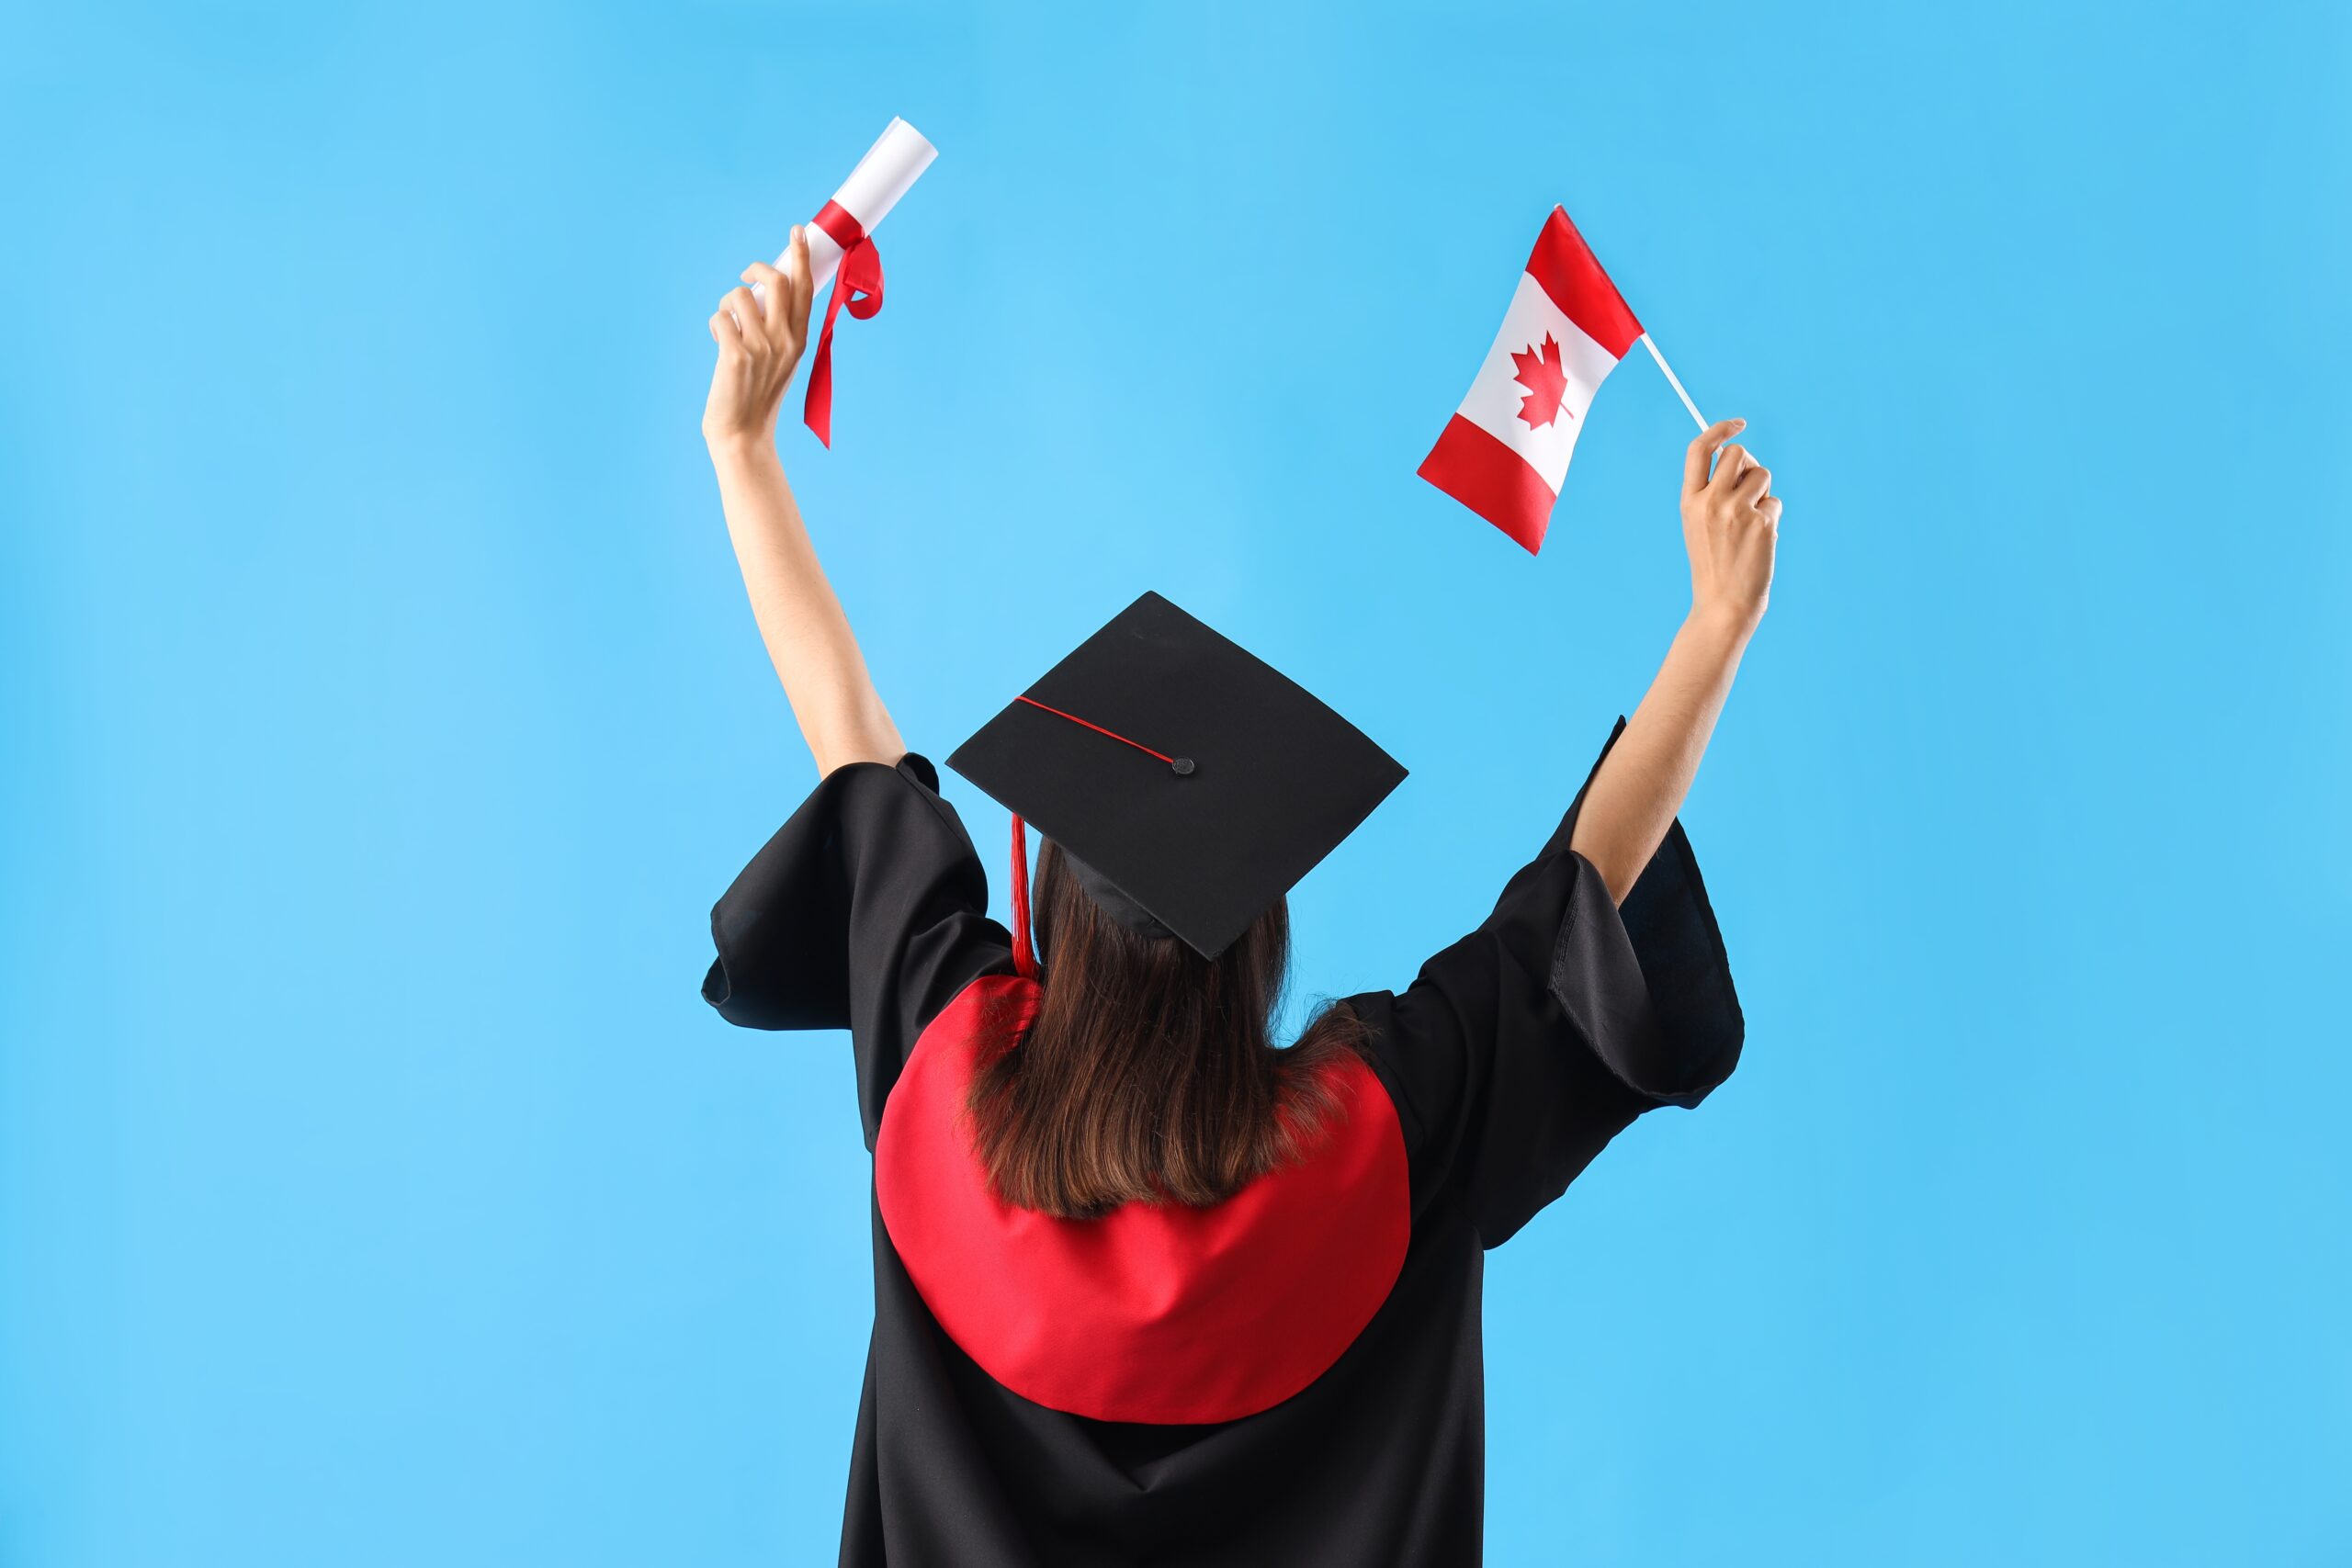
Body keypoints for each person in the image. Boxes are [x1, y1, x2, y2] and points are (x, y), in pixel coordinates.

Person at [697, 229, 1777, 1568]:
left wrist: (744, 452)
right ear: (1256, 940)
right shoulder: (1384, 1132)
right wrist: (1716, 624)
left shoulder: (944, 1069)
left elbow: (853, 749)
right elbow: (1575, 901)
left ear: (1057, 919)